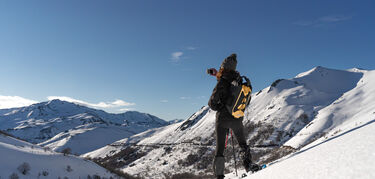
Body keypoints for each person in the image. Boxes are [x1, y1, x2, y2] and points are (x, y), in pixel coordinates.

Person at [208, 53, 259, 179]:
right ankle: (249, 165)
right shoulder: (240, 80)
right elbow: (247, 100)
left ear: (223, 68)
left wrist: (222, 107)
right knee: (242, 144)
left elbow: (212, 104)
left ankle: (219, 175)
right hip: (237, 118)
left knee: (220, 149)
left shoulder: (222, 82)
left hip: (223, 119)